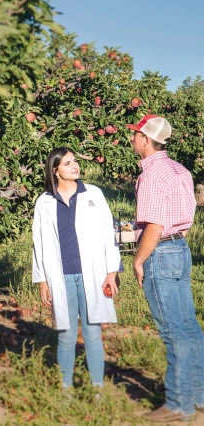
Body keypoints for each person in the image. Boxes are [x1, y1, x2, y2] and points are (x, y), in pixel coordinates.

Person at [126, 114, 204, 423]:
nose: (132, 139)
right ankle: (197, 397)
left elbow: (155, 226)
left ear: (146, 140)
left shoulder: (152, 175)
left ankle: (177, 404)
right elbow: (186, 214)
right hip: (180, 248)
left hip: (161, 251)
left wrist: (138, 259)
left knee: (173, 331)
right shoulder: (180, 170)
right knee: (189, 327)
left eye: (135, 135)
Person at [32, 147, 122, 390]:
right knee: (66, 336)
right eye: (68, 163)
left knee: (93, 335)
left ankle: (97, 389)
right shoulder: (44, 201)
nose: (75, 166)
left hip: (90, 275)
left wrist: (112, 271)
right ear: (55, 170)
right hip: (60, 277)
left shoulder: (93, 194)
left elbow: (107, 234)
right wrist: (42, 280)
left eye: (75, 161)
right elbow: (38, 242)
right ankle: (65, 390)